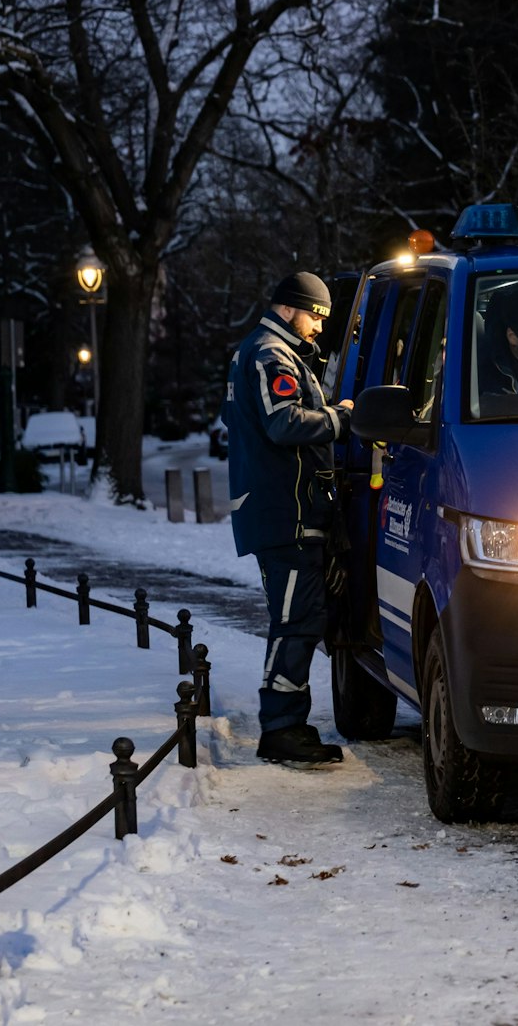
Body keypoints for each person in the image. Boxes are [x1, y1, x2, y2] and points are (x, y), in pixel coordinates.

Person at [224, 271, 353, 766]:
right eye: (316, 316)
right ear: (290, 308)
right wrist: (341, 418)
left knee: (299, 618)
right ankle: (281, 728)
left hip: (282, 510)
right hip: (287, 513)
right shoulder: (271, 355)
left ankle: (286, 724)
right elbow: (282, 423)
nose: (319, 327)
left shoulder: (265, 352)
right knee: (295, 621)